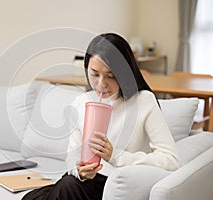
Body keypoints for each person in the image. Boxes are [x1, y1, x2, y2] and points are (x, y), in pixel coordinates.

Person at [22, 33, 179, 200]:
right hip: (82, 183)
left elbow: (172, 160)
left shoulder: (143, 101)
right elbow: (72, 156)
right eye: (95, 74)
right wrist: (80, 171)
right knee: (44, 193)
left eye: (111, 76)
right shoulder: (81, 102)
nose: (101, 83)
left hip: (117, 185)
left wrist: (116, 156)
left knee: (64, 189)